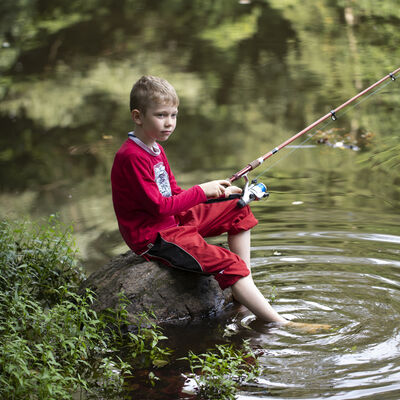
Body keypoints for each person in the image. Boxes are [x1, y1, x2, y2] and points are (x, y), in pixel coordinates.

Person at [111, 75, 327, 330]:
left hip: (172, 220)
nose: (169, 123)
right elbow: (158, 206)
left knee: (238, 205)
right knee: (227, 261)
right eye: (161, 115)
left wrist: (216, 194)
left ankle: (243, 286)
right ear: (138, 117)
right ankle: (282, 323)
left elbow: (174, 192)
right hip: (154, 237)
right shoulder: (131, 156)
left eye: (174, 115)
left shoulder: (155, 148)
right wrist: (202, 191)